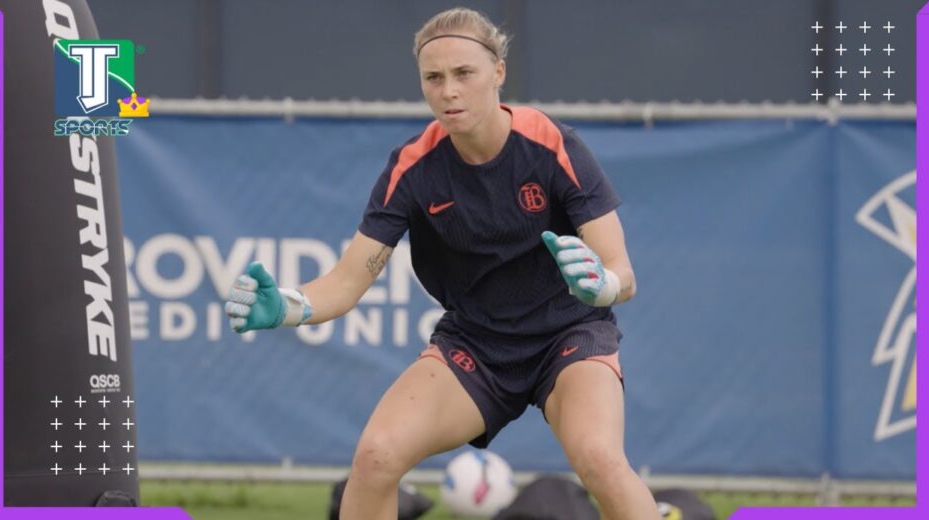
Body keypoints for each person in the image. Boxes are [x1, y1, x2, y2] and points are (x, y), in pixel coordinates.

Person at [225, 7, 660, 520]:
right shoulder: (412, 168)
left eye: (464, 73)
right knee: (376, 457)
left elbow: (622, 273)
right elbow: (345, 284)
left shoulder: (552, 145)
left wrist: (600, 285)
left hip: (570, 334)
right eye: (433, 77)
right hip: (476, 343)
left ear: (498, 72)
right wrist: (288, 306)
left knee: (601, 459)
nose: (449, 91)